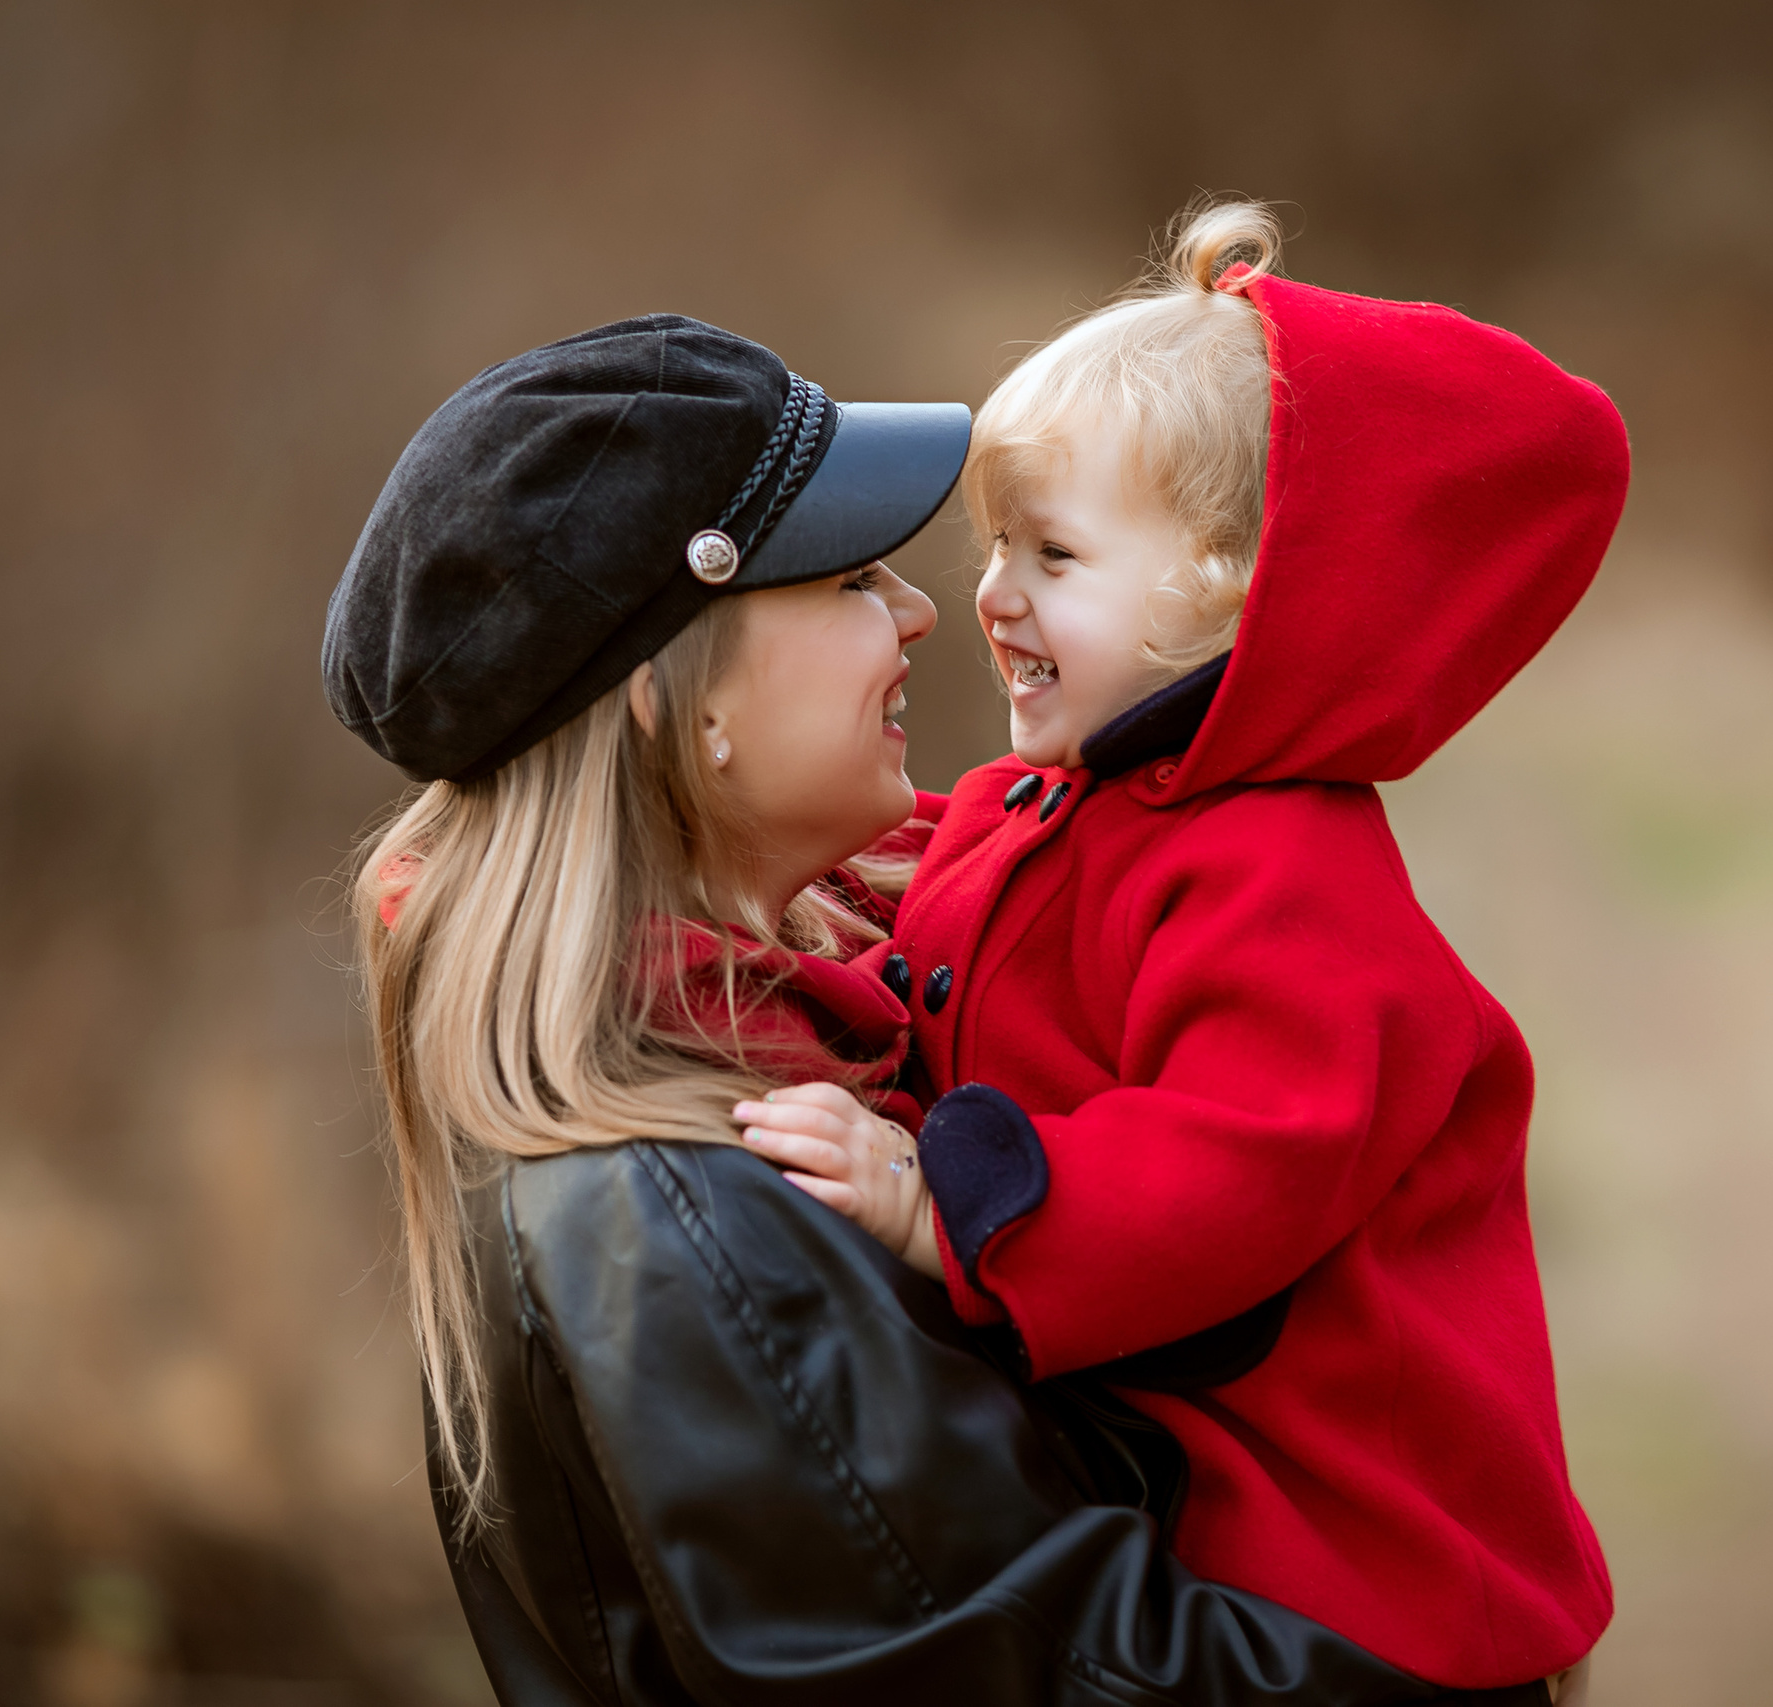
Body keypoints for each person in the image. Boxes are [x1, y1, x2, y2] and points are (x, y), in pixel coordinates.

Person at [321, 315, 1547, 1705]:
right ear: (676, 703)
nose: (923, 610)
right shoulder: (693, 1220)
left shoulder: (773, 1002)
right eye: (849, 578)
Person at [736, 203, 1623, 1699]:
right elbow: (934, 922)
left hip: (1361, 1587)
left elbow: (1241, 1162)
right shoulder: (1057, 806)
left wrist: (934, 1202)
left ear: (1230, 592)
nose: (993, 599)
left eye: (1055, 555)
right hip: (1209, 1526)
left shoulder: (1286, 870)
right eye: (994, 547)